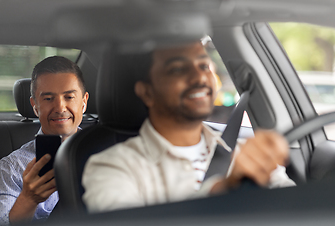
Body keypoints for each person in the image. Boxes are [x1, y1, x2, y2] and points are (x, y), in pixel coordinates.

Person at [82, 40, 295, 213]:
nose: (199, 77)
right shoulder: (111, 167)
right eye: (177, 69)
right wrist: (225, 189)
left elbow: (295, 213)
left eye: (204, 65)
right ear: (147, 92)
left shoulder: (244, 154)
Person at [0, 56, 89, 226]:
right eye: (48, 99)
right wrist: (28, 199)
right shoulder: (12, 167)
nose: (60, 108)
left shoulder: (106, 152)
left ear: (84, 102)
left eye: (69, 97)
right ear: (35, 106)